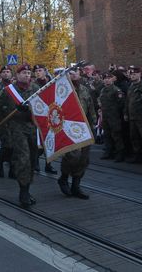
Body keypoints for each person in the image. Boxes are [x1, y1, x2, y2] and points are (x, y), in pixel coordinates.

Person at [0, 64, 39, 207]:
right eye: (23, 72)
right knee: (23, 159)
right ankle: (23, 191)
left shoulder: (36, 89)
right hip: (16, 129)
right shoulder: (9, 91)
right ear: (17, 75)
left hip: (32, 128)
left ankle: (27, 187)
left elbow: (43, 107)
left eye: (28, 73)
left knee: (32, 159)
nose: (27, 75)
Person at [58, 67, 96, 199]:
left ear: (80, 74)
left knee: (83, 158)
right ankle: (63, 178)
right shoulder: (62, 90)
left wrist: (93, 125)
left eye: (76, 72)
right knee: (72, 156)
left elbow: (91, 108)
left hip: (84, 128)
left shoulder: (85, 90)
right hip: (68, 128)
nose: (73, 75)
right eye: (70, 73)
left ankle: (76, 185)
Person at [98, 72, 126, 162]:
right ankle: (108, 152)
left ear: (112, 79)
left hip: (114, 117)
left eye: (109, 78)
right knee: (107, 135)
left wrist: (115, 112)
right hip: (105, 116)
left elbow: (121, 103)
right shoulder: (103, 90)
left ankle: (120, 154)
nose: (107, 80)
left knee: (116, 135)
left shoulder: (116, 90)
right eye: (105, 78)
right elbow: (101, 101)